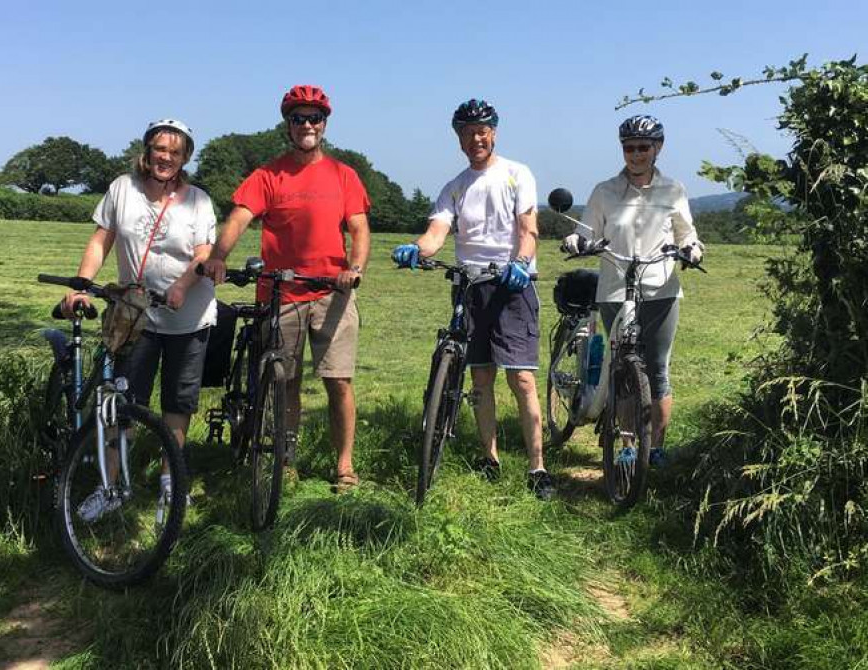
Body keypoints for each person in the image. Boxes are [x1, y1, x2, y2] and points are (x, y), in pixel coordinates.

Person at [202, 85, 370, 492]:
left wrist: (355, 267)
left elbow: (359, 227)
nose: (307, 124)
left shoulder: (343, 175)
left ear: (324, 124)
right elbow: (240, 218)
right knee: (285, 383)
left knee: (339, 381)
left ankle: (344, 465)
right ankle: (285, 459)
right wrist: (219, 256)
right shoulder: (268, 175)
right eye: (299, 118)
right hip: (282, 293)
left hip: (331, 290)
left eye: (314, 118)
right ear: (288, 125)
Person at [392, 99, 553, 499]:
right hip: (470, 285)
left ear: (493, 133)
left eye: (481, 131)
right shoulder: (455, 187)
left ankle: (537, 467)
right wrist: (417, 248)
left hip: (511, 283)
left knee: (522, 378)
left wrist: (520, 261)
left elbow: (528, 228)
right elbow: (436, 232)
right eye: (467, 133)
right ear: (459, 139)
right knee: (480, 376)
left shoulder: (518, 174)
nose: (475, 139)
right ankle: (490, 457)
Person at [62, 118, 218, 520]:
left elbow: (203, 253)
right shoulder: (122, 189)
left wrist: (183, 285)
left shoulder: (198, 200)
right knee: (124, 401)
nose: (165, 157)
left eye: (175, 151)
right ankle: (112, 486)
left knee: (176, 404)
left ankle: (171, 483)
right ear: (147, 152)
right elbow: (101, 240)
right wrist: (82, 284)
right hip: (136, 316)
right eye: (159, 149)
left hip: (188, 316)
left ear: (185, 158)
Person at [563, 114, 704, 465]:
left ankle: (654, 447)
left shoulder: (673, 190)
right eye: (629, 148)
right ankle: (627, 446)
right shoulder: (604, 191)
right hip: (614, 289)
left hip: (660, 289)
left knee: (656, 370)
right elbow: (587, 230)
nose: (636, 154)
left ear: (657, 148)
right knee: (621, 369)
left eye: (643, 147)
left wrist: (693, 248)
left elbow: (686, 233)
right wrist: (575, 241)